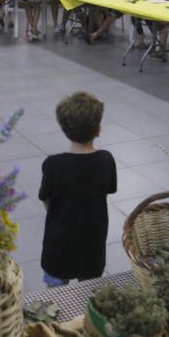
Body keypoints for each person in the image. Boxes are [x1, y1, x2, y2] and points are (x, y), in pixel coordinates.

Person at [38, 92, 117, 287]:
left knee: (54, 299)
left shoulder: (53, 165)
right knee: (87, 294)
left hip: (58, 243)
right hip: (92, 242)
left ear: (64, 129)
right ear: (98, 129)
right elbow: (107, 191)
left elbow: (46, 199)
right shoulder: (106, 160)